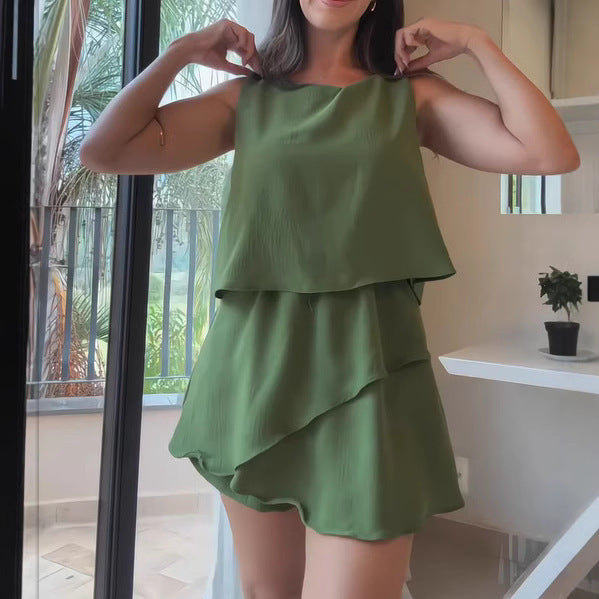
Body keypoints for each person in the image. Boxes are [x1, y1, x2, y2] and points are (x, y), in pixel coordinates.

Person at [80, 1, 580, 598]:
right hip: (254, 371)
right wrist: (182, 51)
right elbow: (103, 150)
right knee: (267, 592)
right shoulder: (248, 100)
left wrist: (477, 42)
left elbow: (551, 152)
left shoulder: (410, 97)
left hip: (371, 375)